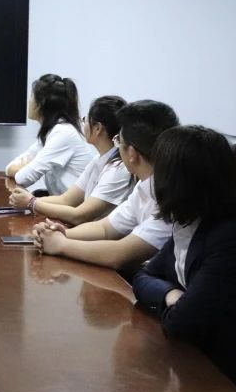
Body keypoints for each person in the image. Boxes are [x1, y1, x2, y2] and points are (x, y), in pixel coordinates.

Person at [130, 125, 236, 384]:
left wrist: (173, 303)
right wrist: (170, 294)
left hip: (229, 378)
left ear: (176, 181)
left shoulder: (230, 237)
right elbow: (141, 277)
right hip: (192, 362)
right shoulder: (189, 223)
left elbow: (181, 323)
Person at [34, 99, 178, 272]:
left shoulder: (173, 195)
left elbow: (119, 255)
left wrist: (61, 244)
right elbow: (105, 228)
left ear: (132, 153)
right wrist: (60, 233)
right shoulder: (144, 186)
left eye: (118, 141)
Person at [11, 94, 132, 224]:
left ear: (97, 128)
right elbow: (66, 200)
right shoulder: (98, 160)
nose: (83, 124)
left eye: (85, 120)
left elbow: (79, 215)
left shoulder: (118, 170)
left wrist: (32, 202)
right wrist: (26, 200)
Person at [5, 75, 95, 196]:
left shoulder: (63, 133)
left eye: (31, 97)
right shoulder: (52, 131)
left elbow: (23, 178)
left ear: (41, 104)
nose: (29, 101)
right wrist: (26, 166)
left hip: (74, 206)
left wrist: (26, 166)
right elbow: (9, 167)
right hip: (61, 202)